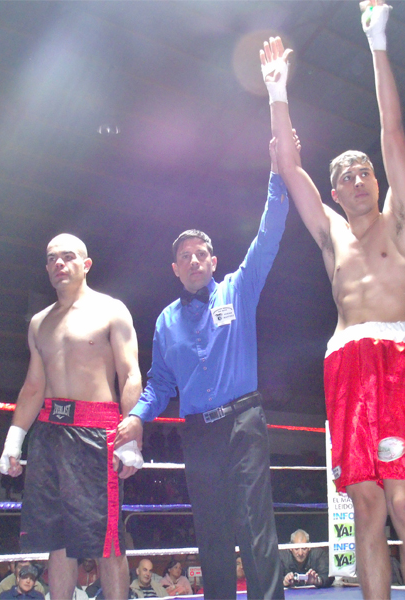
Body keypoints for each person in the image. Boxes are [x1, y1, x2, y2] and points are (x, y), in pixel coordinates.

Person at [262, 2, 405, 597]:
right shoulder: (331, 234)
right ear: (335, 192)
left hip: (397, 358)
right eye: (346, 177)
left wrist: (377, 40)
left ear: (377, 181)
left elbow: (393, 131)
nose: (358, 180)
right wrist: (277, 91)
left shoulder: (401, 222)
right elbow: (289, 167)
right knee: (366, 504)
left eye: (365, 172)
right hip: (345, 363)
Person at [113, 141, 290, 599]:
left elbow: (269, 234)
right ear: (175, 268)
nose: (194, 260)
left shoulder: (239, 289)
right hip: (197, 433)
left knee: (255, 528)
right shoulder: (165, 321)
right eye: (185, 255)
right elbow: (159, 384)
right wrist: (138, 417)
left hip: (244, 423)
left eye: (201, 253)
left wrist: (278, 171)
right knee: (211, 533)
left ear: (213, 261)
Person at [0, 234, 142, 600]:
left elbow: (130, 374)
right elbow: (33, 386)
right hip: (49, 432)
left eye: (67, 256)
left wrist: (130, 437)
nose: (59, 264)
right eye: (52, 258)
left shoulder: (111, 310)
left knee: (107, 542)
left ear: (86, 264)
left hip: (97, 431)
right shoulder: (39, 322)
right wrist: (14, 439)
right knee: (57, 540)